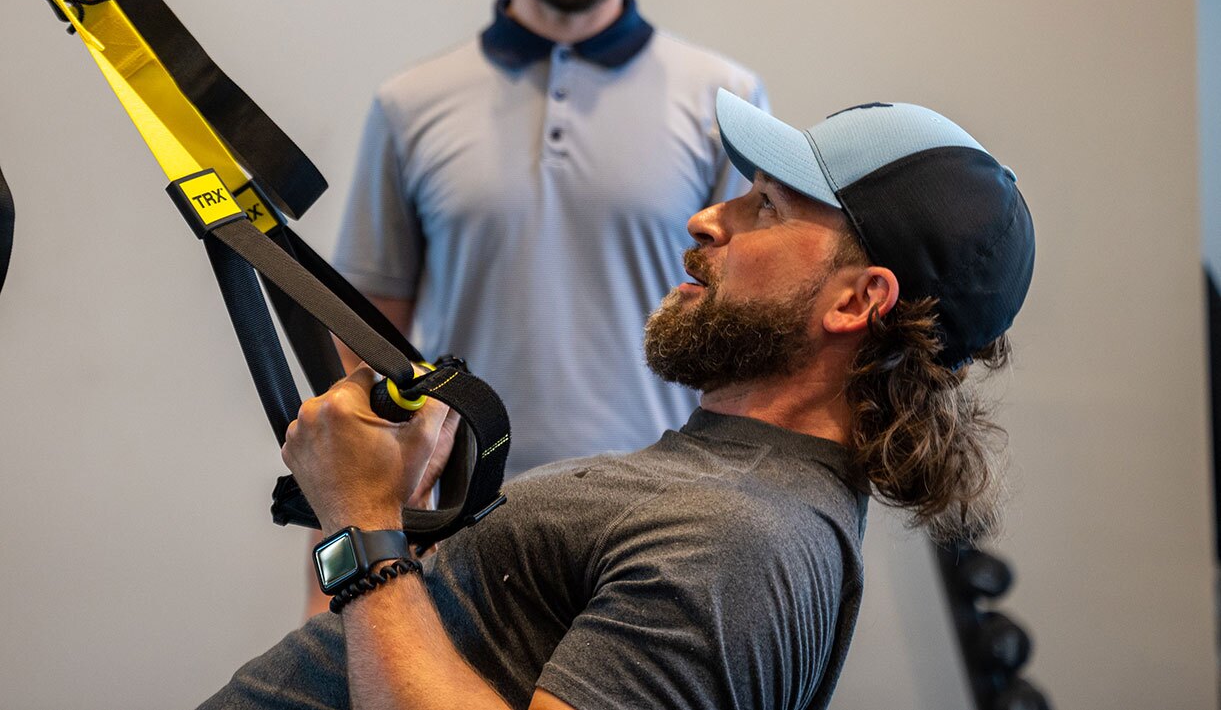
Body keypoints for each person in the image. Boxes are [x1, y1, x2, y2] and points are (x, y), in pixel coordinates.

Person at [200, 89, 1036, 710]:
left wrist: (363, 524)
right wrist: (404, 511)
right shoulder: (724, 492)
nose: (707, 218)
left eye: (766, 206)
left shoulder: (741, 540)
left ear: (856, 300)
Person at [331, 0, 767, 479]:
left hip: (662, 523)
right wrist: (343, 526)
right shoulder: (408, 104)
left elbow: (755, 349)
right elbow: (362, 351)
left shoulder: (727, 102)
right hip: (465, 520)